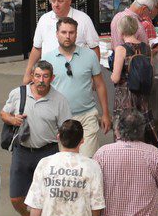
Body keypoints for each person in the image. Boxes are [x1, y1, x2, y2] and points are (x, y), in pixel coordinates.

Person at [3, 60, 75, 216]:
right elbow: (4, 113)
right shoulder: (18, 94)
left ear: (52, 78)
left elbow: (66, 128)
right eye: (37, 76)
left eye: (45, 76)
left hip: (48, 153)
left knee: (48, 195)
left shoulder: (59, 100)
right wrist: (13, 119)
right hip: (22, 151)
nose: (41, 80)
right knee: (16, 197)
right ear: (32, 77)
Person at [45, 17, 112, 158]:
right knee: (65, 162)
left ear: (76, 34)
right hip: (60, 118)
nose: (67, 36)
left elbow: (100, 85)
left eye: (71, 32)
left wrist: (105, 113)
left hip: (87, 116)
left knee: (88, 159)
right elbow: (43, 89)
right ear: (57, 34)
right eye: (63, 32)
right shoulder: (47, 59)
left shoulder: (90, 56)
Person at [26, 0, 101, 82]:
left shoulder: (83, 19)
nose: (56, 4)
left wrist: (95, 76)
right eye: (53, 1)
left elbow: (94, 47)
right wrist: (28, 73)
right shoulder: (44, 19)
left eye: (60, 1)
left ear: (69, 1)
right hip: (47, 76)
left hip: (76, 76)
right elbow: (37, 48)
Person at [111, 14, 158, 146]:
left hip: (125, 95)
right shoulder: (146, 47)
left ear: (120, 30)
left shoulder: (121, 49)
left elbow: (115, 78)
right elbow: (151, 71)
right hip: (142, 94)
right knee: (142, 125)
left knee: (124, 127)